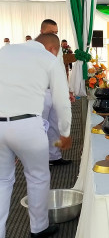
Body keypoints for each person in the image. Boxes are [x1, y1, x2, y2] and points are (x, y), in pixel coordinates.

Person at [0, 33, 72, 238]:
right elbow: (62, 101)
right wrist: (65, 132)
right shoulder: (49, 59)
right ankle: (38, 228)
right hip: (28, 125)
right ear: (53, 49)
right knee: (37, 176)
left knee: (2, 181)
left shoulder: (6, 51)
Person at [40, 20, 74, 165]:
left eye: (56, 32)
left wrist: (66, 90)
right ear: (42, 32)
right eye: (51, 32)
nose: (54, 35)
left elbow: (61, 71)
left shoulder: (58, 48)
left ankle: (54, 156)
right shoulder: (35, 48)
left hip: (55, 91)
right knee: (40, 127)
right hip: (40, 92)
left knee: (55, 124)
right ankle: (38, 159)